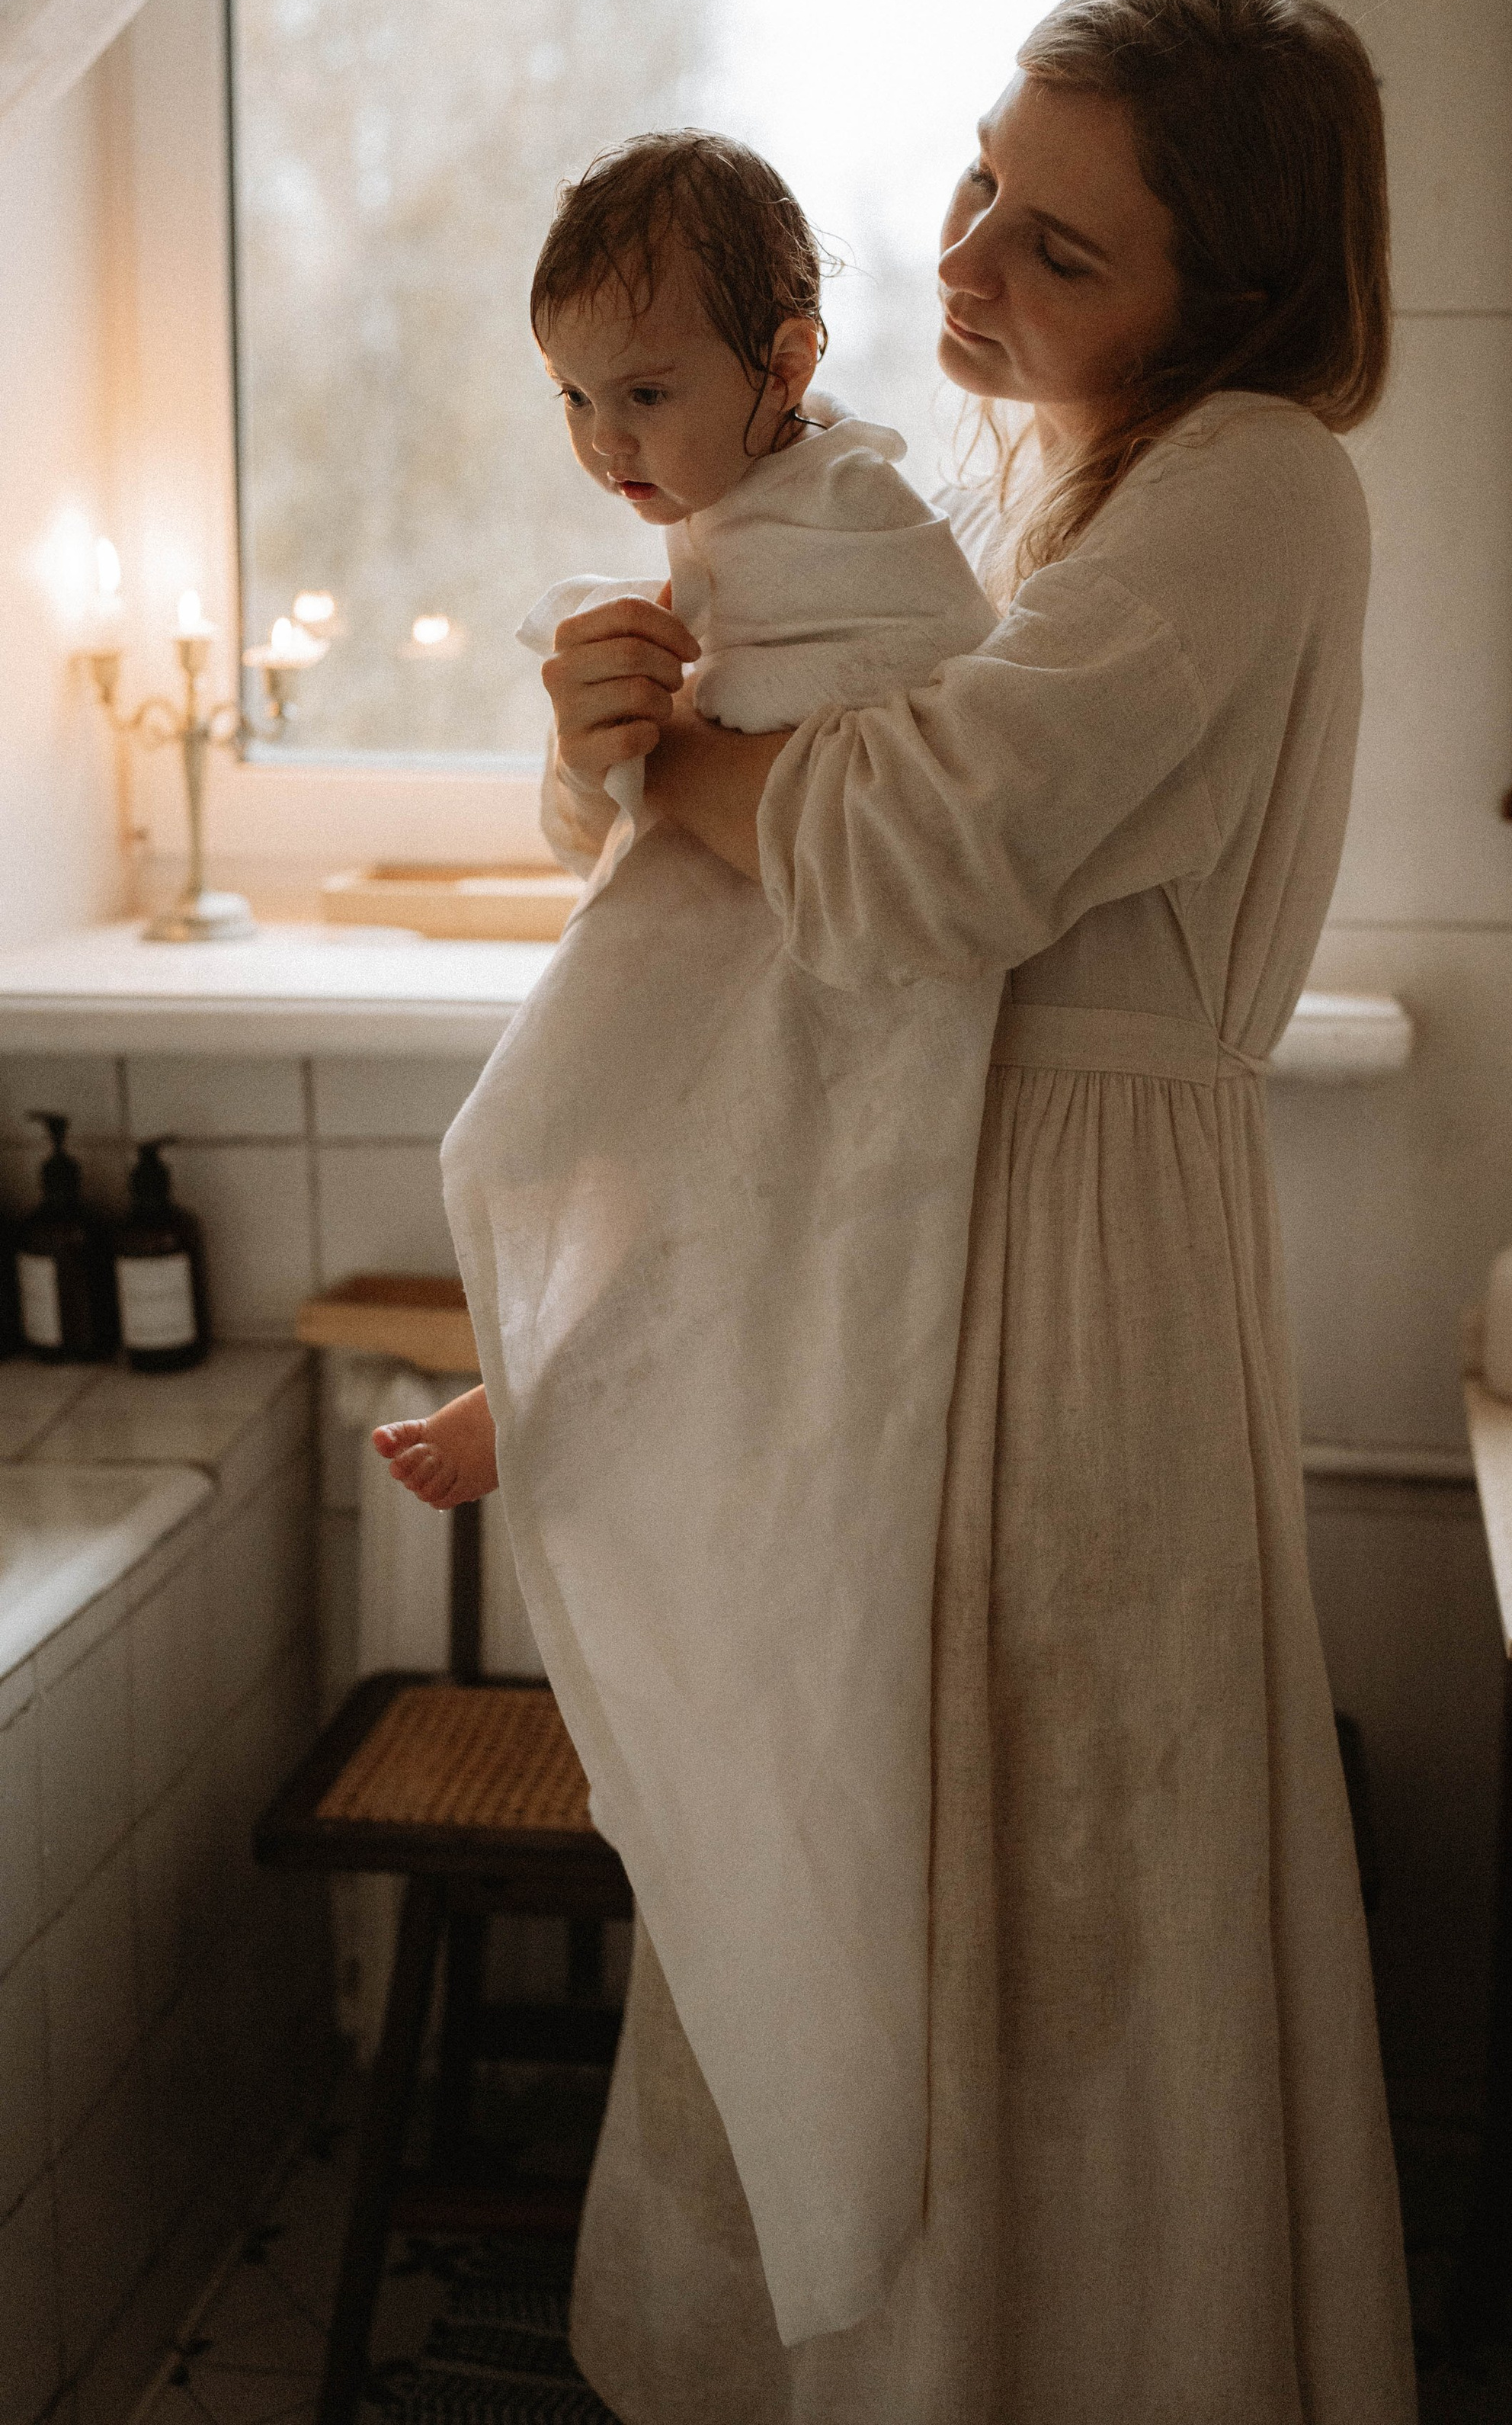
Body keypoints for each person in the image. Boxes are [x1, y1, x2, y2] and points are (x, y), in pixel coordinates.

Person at [518, 0, 1419, 2425]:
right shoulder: (1043, 483)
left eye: (1060, 245)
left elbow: (927, 851)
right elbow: (803, 887)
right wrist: (619, 761)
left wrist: (686, 754)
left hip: (1078, 1263)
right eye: (984, 187)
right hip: (942, 1211)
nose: (974, 263)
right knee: (898, 1860)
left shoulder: (1252, 478)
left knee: (1054, 1883)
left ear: (1222, 293)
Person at [380, 130, 1011, 2350]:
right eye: (572, 401)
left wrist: (650, 757)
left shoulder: (868, 552)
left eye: (646, 392)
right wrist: (591, 738)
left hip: (847, 1043)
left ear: (790, 361)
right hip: (747, 1036)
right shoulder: (732, 556)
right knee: (653, 1175)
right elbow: (625, 835)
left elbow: (907, 771)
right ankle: (540, 1382)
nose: (606, 447)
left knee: (698, 1220)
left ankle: (539, 1389)